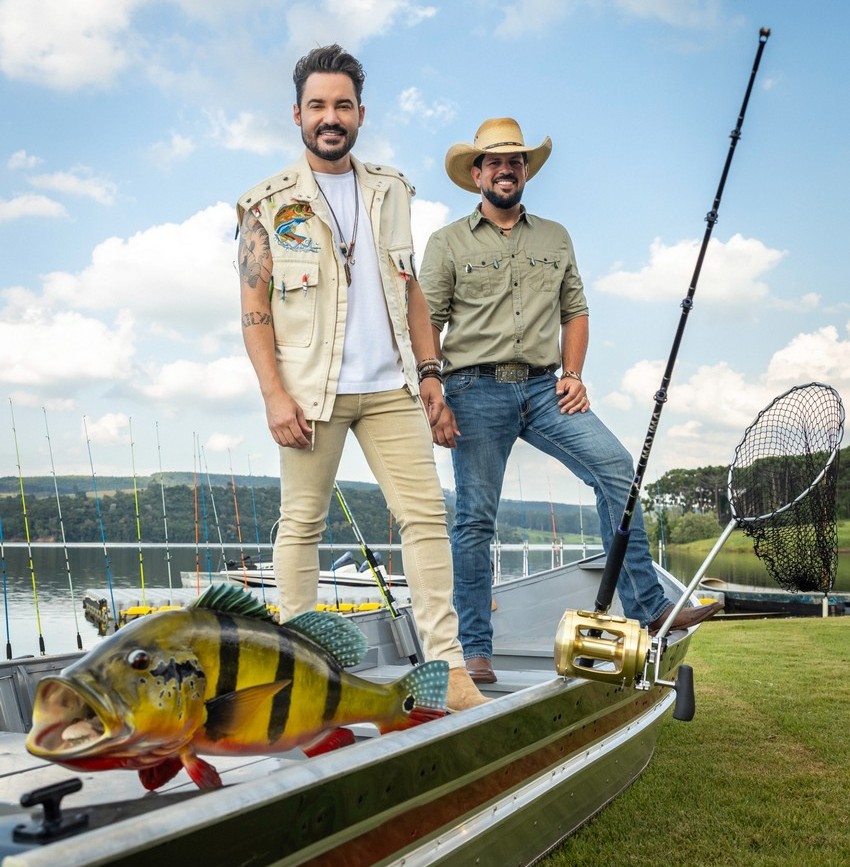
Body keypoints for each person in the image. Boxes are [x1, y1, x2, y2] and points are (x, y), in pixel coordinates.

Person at [419, 117, 722, 684]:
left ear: (525, 170)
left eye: (516, 160)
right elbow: (426, 318)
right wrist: (431, 385)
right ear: (477, 173)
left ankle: (650, 609)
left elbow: (575, 310)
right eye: (495, 161)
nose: (505, 169)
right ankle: (473, 648)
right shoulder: (446, 243)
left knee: (615, 470)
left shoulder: (555, 237)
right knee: (475, 520)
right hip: (473, 389)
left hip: (544, 386)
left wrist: (574, 371)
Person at [235, 45, 486, 711]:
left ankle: (451, 671)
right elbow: (255, 311)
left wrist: (430, 374)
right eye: (318, 104)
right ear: (297, 113)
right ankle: (297, 676)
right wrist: (273, 394)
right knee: (301, 524)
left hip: (392, 387)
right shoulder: (265, 206)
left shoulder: (392, 191)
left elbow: (413, 295)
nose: (330, 116)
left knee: (427, 518)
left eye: (342, 104)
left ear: (360, 113)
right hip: (310, 394)